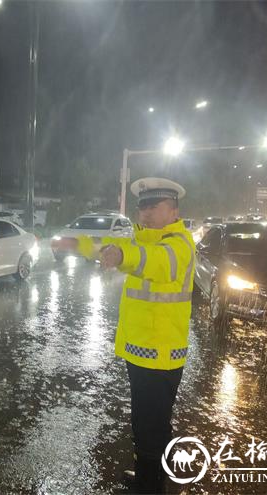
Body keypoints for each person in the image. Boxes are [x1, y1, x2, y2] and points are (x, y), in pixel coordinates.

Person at [79, 177, 195, 493]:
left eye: (153, 207)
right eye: (142, 206)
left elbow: (156, 262)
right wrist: (79, 245)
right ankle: (147, 476)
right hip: (142, 352)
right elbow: (116, 249)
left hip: (161, 356)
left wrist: (123, 257)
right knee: (144, 423)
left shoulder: (178, 244)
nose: (145, 213)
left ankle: (150, 486)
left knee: (151, 426)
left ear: (173, 210)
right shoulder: (143, 240)